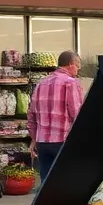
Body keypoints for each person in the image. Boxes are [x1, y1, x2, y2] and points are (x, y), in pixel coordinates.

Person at [26, 50, 83, 185]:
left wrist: (34, 138)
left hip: (42, 141)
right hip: (62, 140)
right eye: (78, 66)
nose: (78, 70)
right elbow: (76, 114)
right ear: (71, 64)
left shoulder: (41, 83)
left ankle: (46, 199)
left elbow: (31, 114)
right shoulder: (71, 83)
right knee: (66, 180)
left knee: (46, 182)